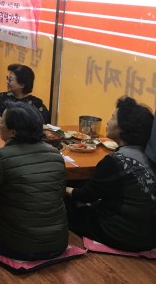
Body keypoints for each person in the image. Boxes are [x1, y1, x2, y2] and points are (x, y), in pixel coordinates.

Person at [0, 103, 68, 260]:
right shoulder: (56, 155)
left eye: (1, 121)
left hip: (17, 247)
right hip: (57, 245)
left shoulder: (1, 157)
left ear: (13, 132)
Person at [66, 96, 156, 252]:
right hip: (149, 237)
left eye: (113, 117)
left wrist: (63, 188)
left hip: (122, 235)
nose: (108, 121)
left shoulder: (115, 161)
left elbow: (86, 196)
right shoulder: (149, 156)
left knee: (65, 205)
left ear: (124, 127)